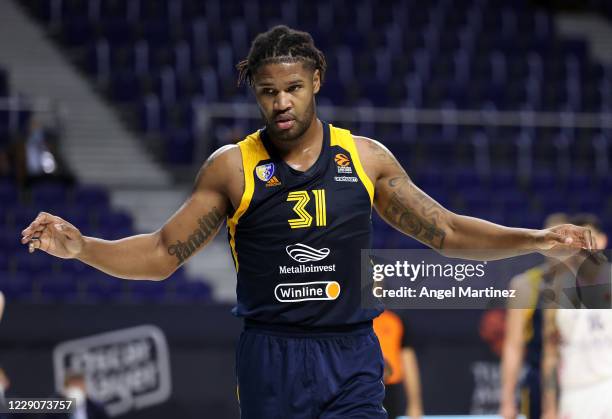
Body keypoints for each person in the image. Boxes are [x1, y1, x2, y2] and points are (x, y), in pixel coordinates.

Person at [21, 25, 594, 418]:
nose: (282, 103)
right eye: (268, 92)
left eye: (293, 88)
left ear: (315, 81)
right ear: (255, 93)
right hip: (271, 354)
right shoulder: (232, 169)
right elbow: (163, 253)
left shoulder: (363, 159)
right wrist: (84, 248)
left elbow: (446, 231)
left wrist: (536, 238)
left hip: (350, 352)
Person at [499, 213, 569, 419]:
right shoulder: (526, 285)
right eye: (553, 241)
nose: (559, 249)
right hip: (540, 381)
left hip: (585, 377)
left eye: (564, 242)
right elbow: (513, 345)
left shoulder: (595, 286)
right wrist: (507, 399)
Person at [541, 214, 609, 419]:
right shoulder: (556, 290)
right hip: (574, 391)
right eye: (579, 239)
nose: (585, 245)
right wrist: (549, 408)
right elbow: (550, 355)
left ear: (603, 240)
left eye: (589, 237)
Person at [373, 310, 423, 419]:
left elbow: (408, 361)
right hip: (358, 390)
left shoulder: (394, 320)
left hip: (389, 392)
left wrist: (415, 404)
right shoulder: (348, 321)